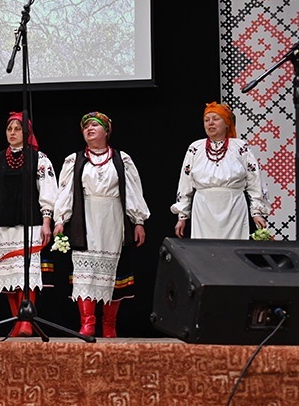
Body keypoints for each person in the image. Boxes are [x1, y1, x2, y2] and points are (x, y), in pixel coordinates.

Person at [53, 112, 149, 338]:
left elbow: (134, 192)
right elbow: (65, 192)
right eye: (86, 126)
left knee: (115, 269)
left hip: (113, 218)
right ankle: (88, 323)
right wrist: (60, 220)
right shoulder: (73, 160)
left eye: (95, 125)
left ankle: (109, 325)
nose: (89, 129)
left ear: (107, 131)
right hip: (85, 218)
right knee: (86, 270)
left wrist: (138, 221)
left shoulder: (121, 159)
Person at [0, 113, 58, 337]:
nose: (12, 133)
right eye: (9, 129)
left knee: (27, 274)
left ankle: (27, 321)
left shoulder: (39, 158)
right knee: (8, 275)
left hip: (29, 222)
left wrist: (47, 220)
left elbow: (48, 190)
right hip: (2, 224)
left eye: (17, 129)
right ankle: (17, 320)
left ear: (26, 133)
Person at [172, 102, 271, 240]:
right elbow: (185, 183)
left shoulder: (240, 147)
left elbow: (255, 180)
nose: (210, 123)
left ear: (227, 123)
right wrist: (182, 216)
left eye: (216, 119)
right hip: (204, 209)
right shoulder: (195, 148)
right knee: (205, 253)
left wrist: (257, 212)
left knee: (233, 251)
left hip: (234, 207)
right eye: (207, 120)